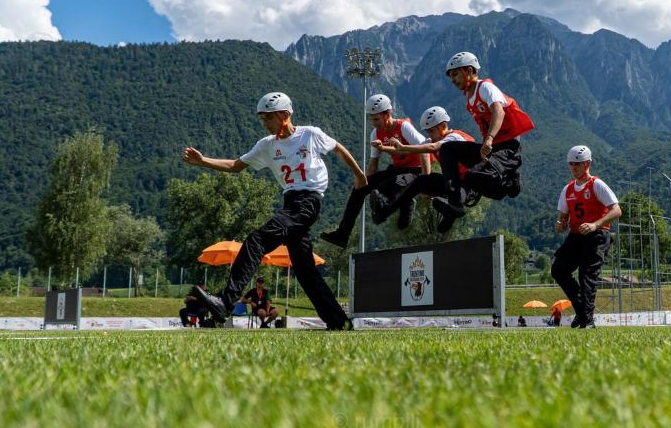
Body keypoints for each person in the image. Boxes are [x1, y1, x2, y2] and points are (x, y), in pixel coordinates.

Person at [182, 92, 366, 330]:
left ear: (285, 115)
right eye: (263, 119)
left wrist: (359, 175)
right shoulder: (266, 145)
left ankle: (225, 302)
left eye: (269, 117)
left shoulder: (310, 134)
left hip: (308, 202)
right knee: (304, 269)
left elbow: (338, 149)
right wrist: (203, 161)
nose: (265, 123)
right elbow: (236, 166)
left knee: (256, 240)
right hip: (291, 204)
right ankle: (339, 322)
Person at [431, 52, 535, 230]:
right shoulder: (469, 100)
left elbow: (499, 111)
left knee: (473, 175)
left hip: (508, 148)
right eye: (451, 77)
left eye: (455, 74)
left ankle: (509, 183)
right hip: (491, 147)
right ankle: (455, 203)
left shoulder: (485, 88)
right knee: (447, 149)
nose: (453, 80)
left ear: (469, 70)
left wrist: (489, 139)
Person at [320, 94, 430, 247]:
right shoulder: (375, 133)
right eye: (370, 119)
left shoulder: (403, 127)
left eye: (376, 119)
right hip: (397, 169)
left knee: (386, 186)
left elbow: (425, 151)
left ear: (387, 114)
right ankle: (342, 234)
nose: (373, 123)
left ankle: (406, 201)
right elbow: (373, 164)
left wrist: (425, 182)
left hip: (416, 171)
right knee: (358, 189)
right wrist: (364, 183)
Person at [371, 106, 476, 233]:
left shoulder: (454, 137)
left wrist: (403, 146)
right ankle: (383, 212)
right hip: (452, 183)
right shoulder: (433, 139)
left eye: (431, 131)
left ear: (443, 126)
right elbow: (422, 150)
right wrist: (426, 186)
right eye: (427, 132)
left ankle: (452, 209)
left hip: (470, 186)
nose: (429, 135)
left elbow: (431, 147)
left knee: (452, 195)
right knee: (420, 181)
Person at [552, 146, 622, 329]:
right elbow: (562, 219)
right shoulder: (567, 189)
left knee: (586, 276)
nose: (573, 167)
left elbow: (617, 210)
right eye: (571, 164)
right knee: (558, 270)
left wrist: (595, 224)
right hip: (576, 236)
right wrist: (560, 225)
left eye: (577, 164)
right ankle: (582, 312)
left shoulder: (597, 184)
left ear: (587, 164)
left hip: (597, 235)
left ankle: (587, 321)